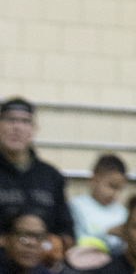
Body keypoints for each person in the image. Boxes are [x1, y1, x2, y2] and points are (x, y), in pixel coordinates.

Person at [0, 102, 73, 249]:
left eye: (25, 121)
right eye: (10, 120)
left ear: (34, 128)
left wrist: (56, 244)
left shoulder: (51, 176)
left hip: (43, 262)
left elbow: (67, 232)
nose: (17, 127)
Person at [69, 158, 129, 255]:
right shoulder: (77, 206)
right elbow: (77, 238)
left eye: (119, 189)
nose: (114, 193)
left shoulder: (123, 212)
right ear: (94, 180)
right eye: (111, 186)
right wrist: (107, 233)